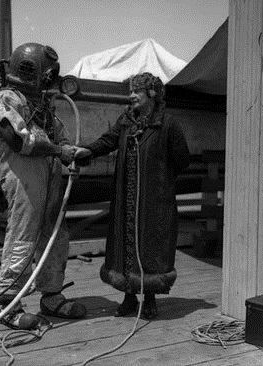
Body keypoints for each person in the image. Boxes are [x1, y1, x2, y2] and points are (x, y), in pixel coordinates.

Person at [0, 42, 87, 330]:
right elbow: (18, 139)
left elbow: (58, 136)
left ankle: (51, 296)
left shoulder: (43, 104)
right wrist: (59, 151)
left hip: (51, 176)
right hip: (24, 178)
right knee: (23, 239)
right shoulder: (6, 99)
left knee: (55, 236)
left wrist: (71, 152)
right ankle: (8, 305)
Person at [74, 72, 190, 319]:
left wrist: (160, 179)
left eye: (136, 91)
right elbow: (108, 141)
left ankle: (149, 299)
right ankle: (128, 297)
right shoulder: (126, 121)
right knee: (124, 246)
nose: (131, 96)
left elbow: (182, 160)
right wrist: (88, 151)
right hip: (126, 198)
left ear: (151, 94)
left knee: (151, 246)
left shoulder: (168, 124)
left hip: (154, 201)